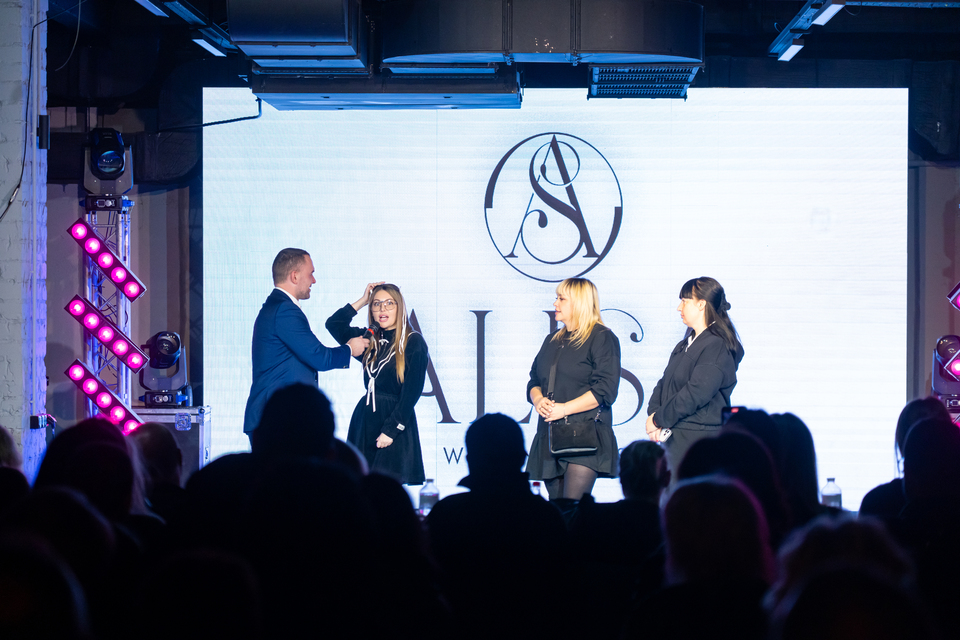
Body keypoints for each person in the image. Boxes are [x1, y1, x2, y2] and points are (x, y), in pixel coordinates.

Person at [242, 248, 369, 439]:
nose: (314, 280)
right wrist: (350, 349)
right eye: (311, 274)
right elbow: (319, 357)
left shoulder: (278, 307)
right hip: (277, 420)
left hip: (278, 418)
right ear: (294, 276)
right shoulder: (284, 310)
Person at [526, 277, 621, 500]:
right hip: (551, 436)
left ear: (579, 303)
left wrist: (564, 409)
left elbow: (605, 389)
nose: (555, 303)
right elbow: (534, 380)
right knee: (557, 511)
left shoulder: (601, 337)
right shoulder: (552, 340)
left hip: (584, 436)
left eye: (561, 299)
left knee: (572, 507)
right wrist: (538, 400)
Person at [325, 282, 427, 484]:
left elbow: (411, 394)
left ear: (399, 307)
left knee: (387, 487)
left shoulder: (413, 341)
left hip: (393, 420)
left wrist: (391, 430)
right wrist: (363, 300)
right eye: (376, 304)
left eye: (389, 303)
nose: (382, 309)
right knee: (359, 483)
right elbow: (334, 324)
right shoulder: (367, 338)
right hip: (365, 421)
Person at [646, 276, 744, 473]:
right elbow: (664, 383)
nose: (679, 308)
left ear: (701, 304)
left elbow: (696, 392)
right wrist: (653, 415)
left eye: (685, 301)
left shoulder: (716, 345)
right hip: (675, 438)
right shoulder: (685, 344)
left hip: (697, 440)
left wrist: (659, 419)